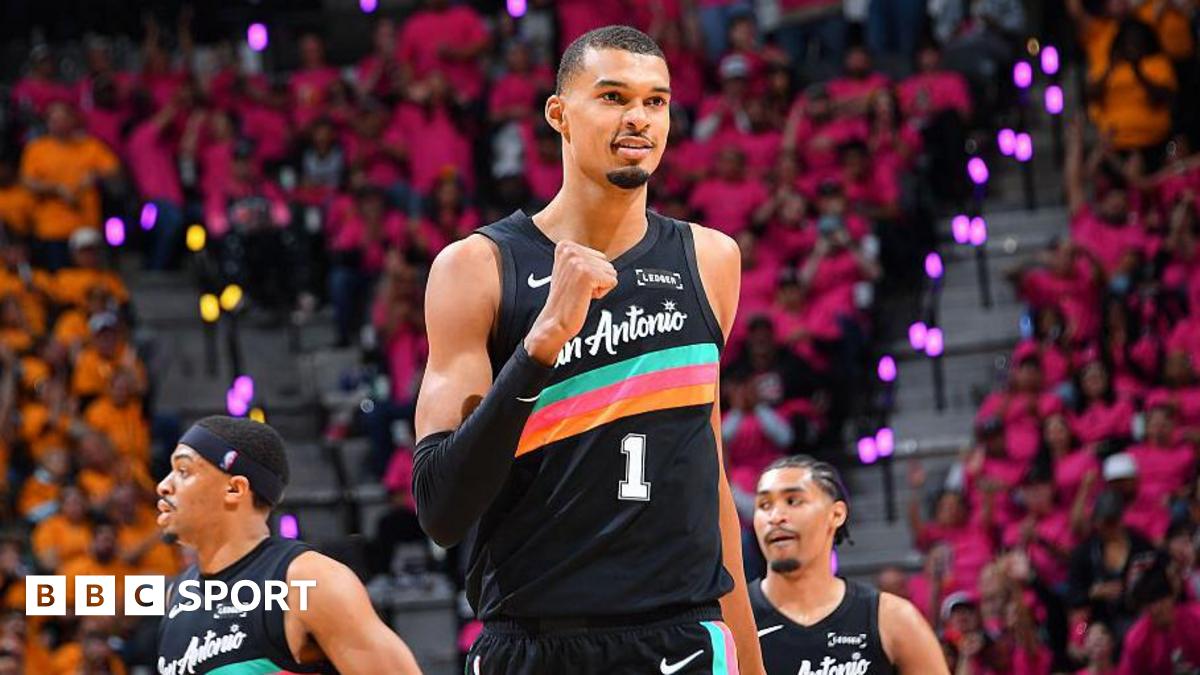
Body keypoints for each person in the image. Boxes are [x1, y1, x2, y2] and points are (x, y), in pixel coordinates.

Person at [411, 25, 765, 674]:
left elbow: (706, 474)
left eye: (656, 101)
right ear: (558, 114)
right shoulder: (478, 268)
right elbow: (441, 506)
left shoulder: (712, 259)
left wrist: (752, 659)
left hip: (683, 636)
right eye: (612, 96)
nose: (638, 117)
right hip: (535, 640)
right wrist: (541, 342)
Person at [156, 416, 420, 674]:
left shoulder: (307, 581)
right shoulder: (178, 595)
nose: (163, 486)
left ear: (235, 489)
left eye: (183, 471)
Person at [750, 455, 947, 674]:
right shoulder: (730, 620)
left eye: (793, 501)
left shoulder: (893, 619)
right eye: (764, 505)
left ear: (836, 514)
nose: (775, 517)